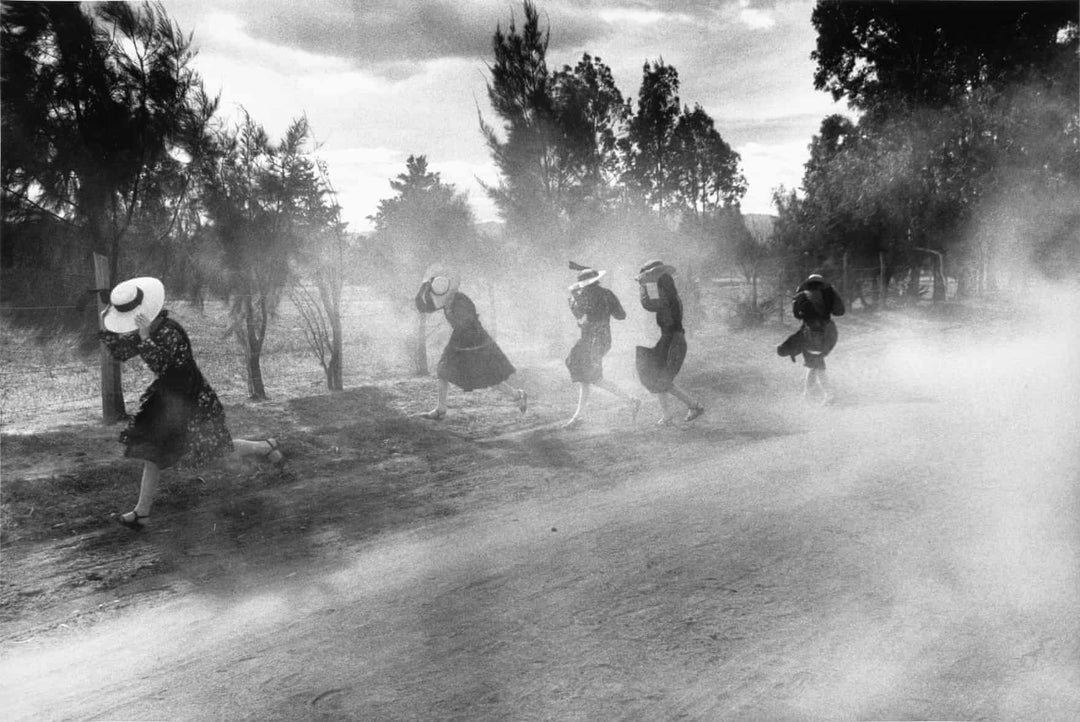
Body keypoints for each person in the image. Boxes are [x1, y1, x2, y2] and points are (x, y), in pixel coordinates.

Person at [98, 277, 284, 531]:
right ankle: (142, 513)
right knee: (153, 454)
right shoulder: (149, 328)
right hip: (167, 403)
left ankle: (263, 447)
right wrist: (108, 324)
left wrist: (144, 338)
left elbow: (165, 367)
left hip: (192, 400)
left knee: (216, 450)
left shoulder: (170, 331)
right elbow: (120, 352)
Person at [414, 274, 527, 420]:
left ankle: (517, 394)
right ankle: (441, 408)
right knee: (443, 370)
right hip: (459, 341)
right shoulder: (446, 301)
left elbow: (467, 322)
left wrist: (461, 345)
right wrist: (424, 288)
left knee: (489, 376)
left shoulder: (460, 300)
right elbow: (423, 308)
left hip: (475, 341)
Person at [562, 263, 640, 429]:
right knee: (587, 377)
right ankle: (579, 417)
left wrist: (573, 296)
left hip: (591, 339)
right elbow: (621, 315)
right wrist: (607, 307)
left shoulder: (583, 295)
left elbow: (578, 315)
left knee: (592, 377)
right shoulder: (606, 294)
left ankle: (630, 401)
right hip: (601, 339)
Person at [634, 260, 705, 425]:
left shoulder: (667, 299)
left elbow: (649, 304)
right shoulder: (671, 297)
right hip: (671, 339)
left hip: (673, 341)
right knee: (657, 376)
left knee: (660, 379)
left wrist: (644, 285)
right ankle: (671, 414)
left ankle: (693, 406)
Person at [776, 273, 846, 403]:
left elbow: (797, 315)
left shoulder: (801, 296)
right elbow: (840, 312)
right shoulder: (830, 293)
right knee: (813, 364)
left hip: (810, 334)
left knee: (816, 364)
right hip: (829, 332)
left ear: (808, 284)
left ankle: (829, 395)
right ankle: (807, 395)